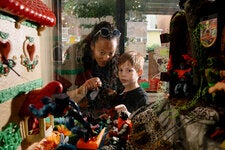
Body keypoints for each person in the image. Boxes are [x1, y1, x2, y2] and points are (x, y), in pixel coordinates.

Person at [55, 21, 123, 105]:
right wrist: (82, 89)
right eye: (102, 52)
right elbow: (59, 98)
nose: (106, 58)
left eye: (110, 53)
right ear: (92, 46)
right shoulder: (76, 59)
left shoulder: (117, 64)